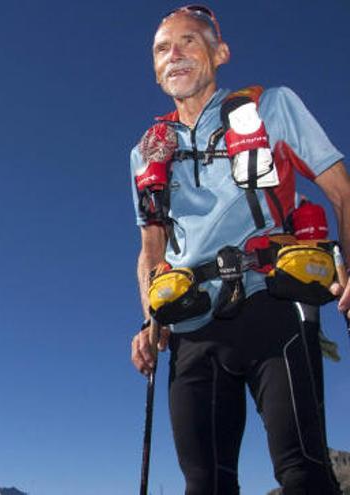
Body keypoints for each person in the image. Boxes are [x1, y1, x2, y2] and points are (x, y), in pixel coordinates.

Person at [128, 5, 349, 494]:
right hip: (190, 325)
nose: (174, 55)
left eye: (188, 42)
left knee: (304, 473)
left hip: (273, 306)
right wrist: (149, 320)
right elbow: (151, 247)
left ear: (219, 53)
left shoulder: (273, 108)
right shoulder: (146, 151)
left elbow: (341, 191)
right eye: (162, 48)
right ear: (154, 67)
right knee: (204, 484)